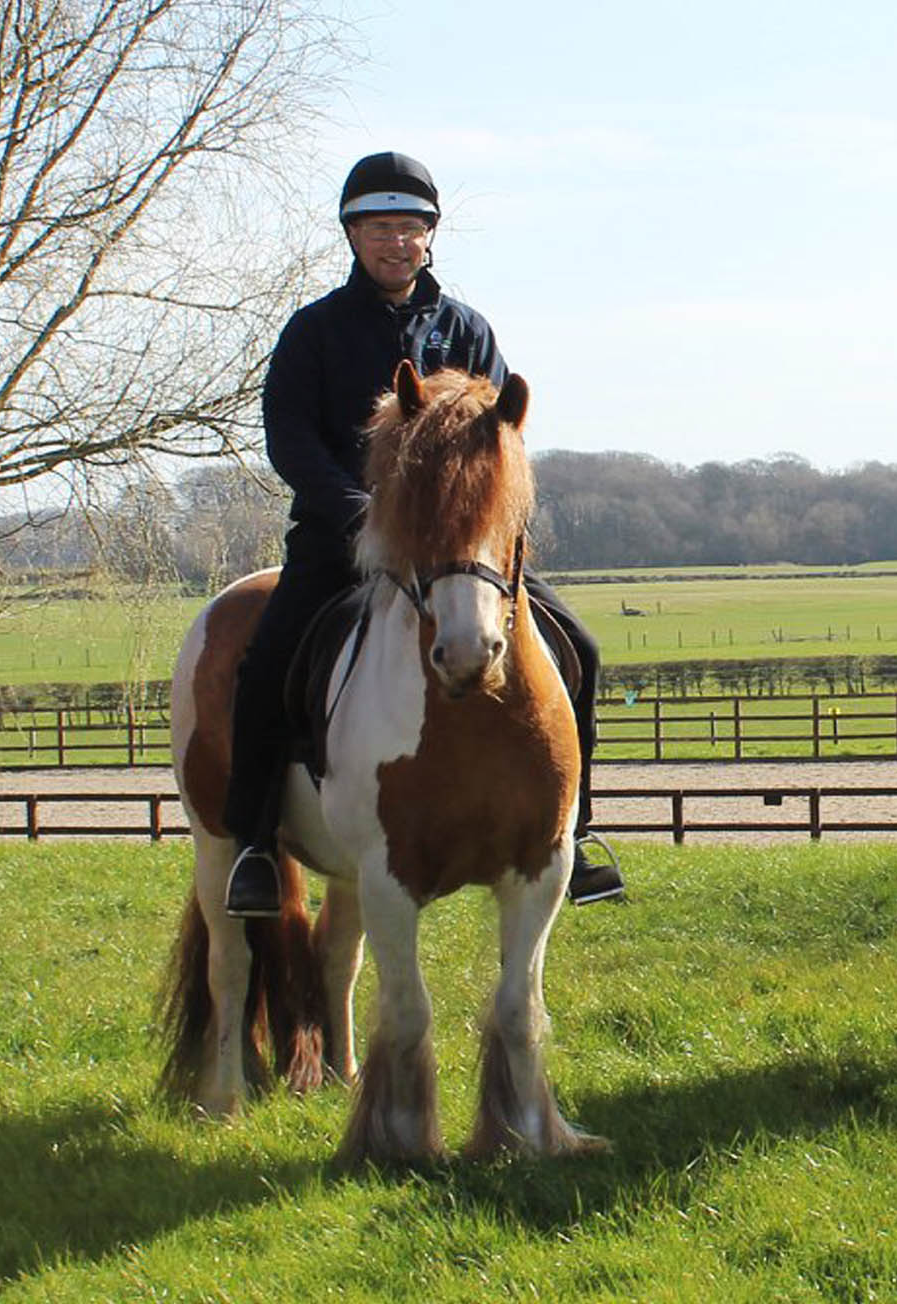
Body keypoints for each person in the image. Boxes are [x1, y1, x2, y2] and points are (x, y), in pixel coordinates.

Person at [220, 151, 626, 918]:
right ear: (352, 235)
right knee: (266, 661)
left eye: (409, 228)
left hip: (459, 551)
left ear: (430, 237)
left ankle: (577, 832)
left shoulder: (468, 331)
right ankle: (254, 846)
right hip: (345, 543)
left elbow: (504, 438)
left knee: (584, 650)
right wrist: (361, 513)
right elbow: (290, 439)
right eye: (378, 228)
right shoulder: (313, 332)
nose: (394, 242)